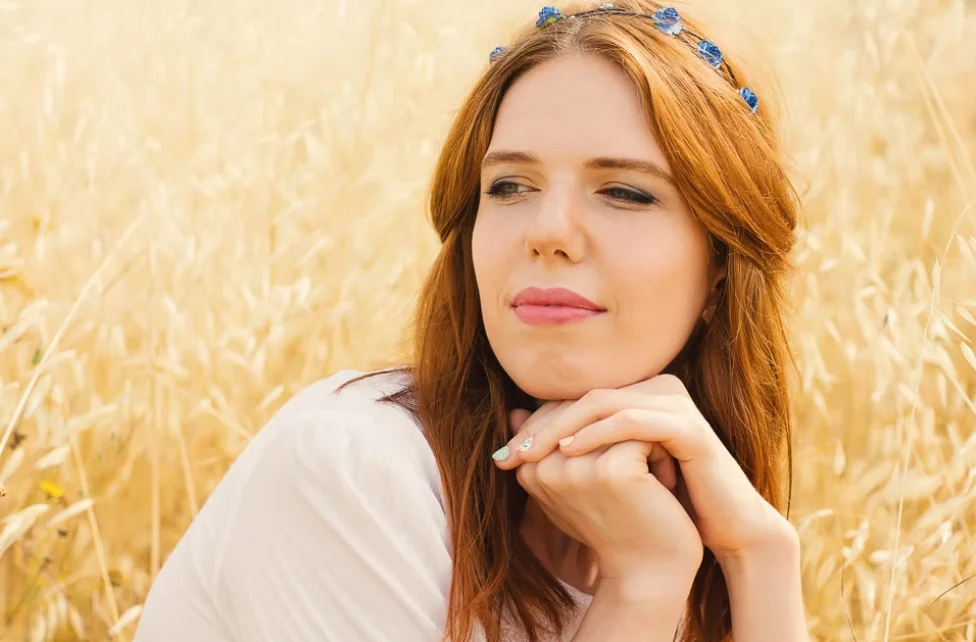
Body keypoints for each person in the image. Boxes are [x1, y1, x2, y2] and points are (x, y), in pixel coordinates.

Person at [134, 1, 809, 641]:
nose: (548, 233)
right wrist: (640, 587)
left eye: (625, 193)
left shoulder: (670, 507)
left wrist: (760, 556)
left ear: (721, 260)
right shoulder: (352, 472)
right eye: (510, 186)